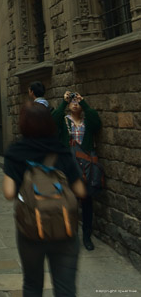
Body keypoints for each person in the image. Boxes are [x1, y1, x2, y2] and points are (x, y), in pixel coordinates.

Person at [3, 103, 86, 297]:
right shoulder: (62, 150)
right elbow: (81, 191)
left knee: (32, 284)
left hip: (31, 229)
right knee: (65, 287)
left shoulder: (16, 152)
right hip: (64, 227)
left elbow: (8, 193)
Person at [52, 90, 102, 251]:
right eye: (72, 102)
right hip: (69, 167)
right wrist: (63, 102)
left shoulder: (88, 122)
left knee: (87, 202)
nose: (75, 103)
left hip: (86, 168)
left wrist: (84, 102)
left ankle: (87, 236)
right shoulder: (64, 121)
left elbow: (97, 122)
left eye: (77, 102)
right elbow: (53, 120)